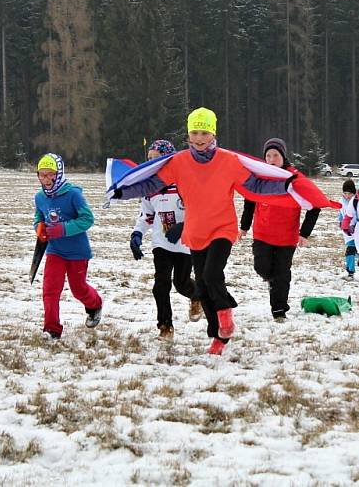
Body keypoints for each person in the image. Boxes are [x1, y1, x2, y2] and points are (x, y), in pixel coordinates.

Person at [111, 107, 293, 355]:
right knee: (204, 288)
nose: (198, 138)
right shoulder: (179, 161)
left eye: (204, 132)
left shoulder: (228, 161)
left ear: (213, 133)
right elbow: (152, 183)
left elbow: (256, 185)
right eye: (194, 132)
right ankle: (218, 335)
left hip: (222, 228)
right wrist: (123, 192)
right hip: (196, 232)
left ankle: (226, 311)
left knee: (211, 274)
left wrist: (287, 186)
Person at [238, 138, 321, 322]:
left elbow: (315, 205)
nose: (272, 159)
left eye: (276, 155)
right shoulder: (260, 177)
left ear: (283, 156)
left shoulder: (295, 179)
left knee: (282, 275)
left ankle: (279, 311)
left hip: (286, 237)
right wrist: (244, 227)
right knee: (263, 269)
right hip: (262, 234)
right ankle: (272, 283)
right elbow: (250, 200)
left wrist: (304, 233)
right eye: (268, 155)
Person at [129, 139, 203, 341]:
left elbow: (199, 210)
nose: (151, 162)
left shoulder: (184, 182)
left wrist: (183, 227)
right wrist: (137, 234)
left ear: (168, 159)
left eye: (156, 158)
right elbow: (146, 215)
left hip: (185, 244)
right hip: (161, 243)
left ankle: (197, 296)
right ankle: (165, 325)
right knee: (160, 284)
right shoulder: (150, 187)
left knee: (181, 283)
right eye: (149, 158)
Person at [34, 153, 103, 339]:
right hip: (54, 251)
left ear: (59, 173)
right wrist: (38, 227)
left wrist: (63, 229)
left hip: (77, 252)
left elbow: (87, 219)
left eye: (50, 174)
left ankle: (95, 305)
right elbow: (39, 217)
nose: (46, 179)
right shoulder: (40, 197)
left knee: (78, 289)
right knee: (50, 290)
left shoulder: (73, 194)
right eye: (42, 174)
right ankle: (52, 329)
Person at [338, 179, 358, 279]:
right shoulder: (342, 201)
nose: (347, 196)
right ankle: (350, 271)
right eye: (345, 193)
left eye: (349, 193)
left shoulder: (357, 201)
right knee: (350, 250)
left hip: (358, 230)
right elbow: (341, 212)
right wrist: (340, 221)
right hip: (348, 231)